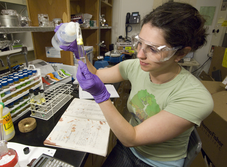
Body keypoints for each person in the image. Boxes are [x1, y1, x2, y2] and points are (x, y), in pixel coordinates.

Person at [60, 2, 214, 167]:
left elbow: (131, 138)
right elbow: (96, 74)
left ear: (181, 53)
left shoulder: (195, 98)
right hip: (129, 149)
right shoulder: (136, 67)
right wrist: (79, 51)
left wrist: (101, 96)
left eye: (153, 49)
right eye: (140, 43)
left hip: (158, 162)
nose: (139, 54)